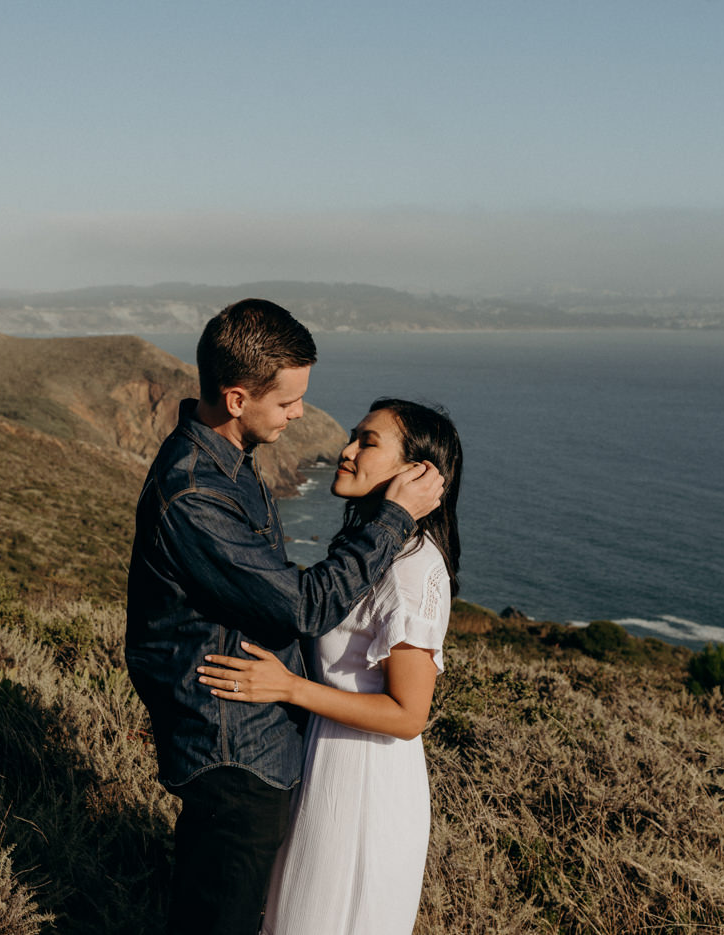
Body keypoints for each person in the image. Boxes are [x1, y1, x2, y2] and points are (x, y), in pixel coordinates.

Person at [125, 300, 445, 935]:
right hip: (233, 748)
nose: (302, 414)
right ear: (238, 398)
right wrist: (392, 518)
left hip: (275, 746)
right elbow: (302, 606)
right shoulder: (196, 493)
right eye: (288, 401)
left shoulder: (234, 464)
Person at [197, 398, 463, 935]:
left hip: (366, 785)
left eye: (367, 442)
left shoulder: (413, 568)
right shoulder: (375, 548)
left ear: (416, 472)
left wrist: (289, 688)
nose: (345, 451)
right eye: (352, 436)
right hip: (328, 764)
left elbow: (409, 715)